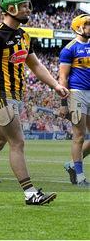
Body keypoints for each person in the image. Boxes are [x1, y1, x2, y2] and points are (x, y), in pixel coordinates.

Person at [0, 0, 69, 205]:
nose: (28, 10)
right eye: (24, 7)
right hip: (0, 95)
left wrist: (56, 85)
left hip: (15, 95)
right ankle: (30, 193)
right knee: (17, 142)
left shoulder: (23, 35)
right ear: (11, 10)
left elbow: (35, 65)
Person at [59, 14, 90, 187]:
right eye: (88, 24)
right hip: (77, 93)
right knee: (79, 135)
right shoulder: (69, 49)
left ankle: (71, 165)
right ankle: (80, 177)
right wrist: (63, 104)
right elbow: (62, 78)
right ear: (79, 27)